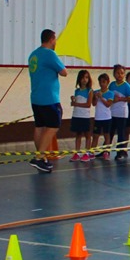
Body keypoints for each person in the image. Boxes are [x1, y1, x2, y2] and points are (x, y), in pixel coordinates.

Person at [27, 29, 67, 173]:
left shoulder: (33, 55)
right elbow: (64, 72)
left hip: (36, 96)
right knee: (53, 126)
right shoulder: (50, 54)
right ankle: (39, 157)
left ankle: (42, 159)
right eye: (55, 39)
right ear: (51, 39)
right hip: (48, 97)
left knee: (40, 126)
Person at [109, 64, 130, 160]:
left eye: (122, 73)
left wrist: (121, 99)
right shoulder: (112, 85)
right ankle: (105, 150)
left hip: (122, 113)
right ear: (114, 74)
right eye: (118, 73)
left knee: (121, 133)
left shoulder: (126, 85)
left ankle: (121, 151)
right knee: (110, 132)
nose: (120, 75)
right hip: (112, 112)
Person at [69, 69, 93, 162]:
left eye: (86, 77)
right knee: (78, 134)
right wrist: (73, 100)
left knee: (87, 135)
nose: (84, 79)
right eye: (82, 77)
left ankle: (87, 153)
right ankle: (77, 153)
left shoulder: (90, 91)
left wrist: (76, 104)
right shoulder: (77, 91)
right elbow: (74, 103)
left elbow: (88, 104)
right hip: (76, 115)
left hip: (85, 116)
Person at [92, 73, 113, 159]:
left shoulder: (110, 93)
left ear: (107, 82)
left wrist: (101, 98)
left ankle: (106, 151)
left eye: (104, 82)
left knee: (106, 135)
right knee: (95, 135)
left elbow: (108, 104)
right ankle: (91, 152)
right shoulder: (96, 92)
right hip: (98, 117)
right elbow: (93, 104)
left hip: (106, 117)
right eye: (100, 82)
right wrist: (96, 98)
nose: (102, 84)